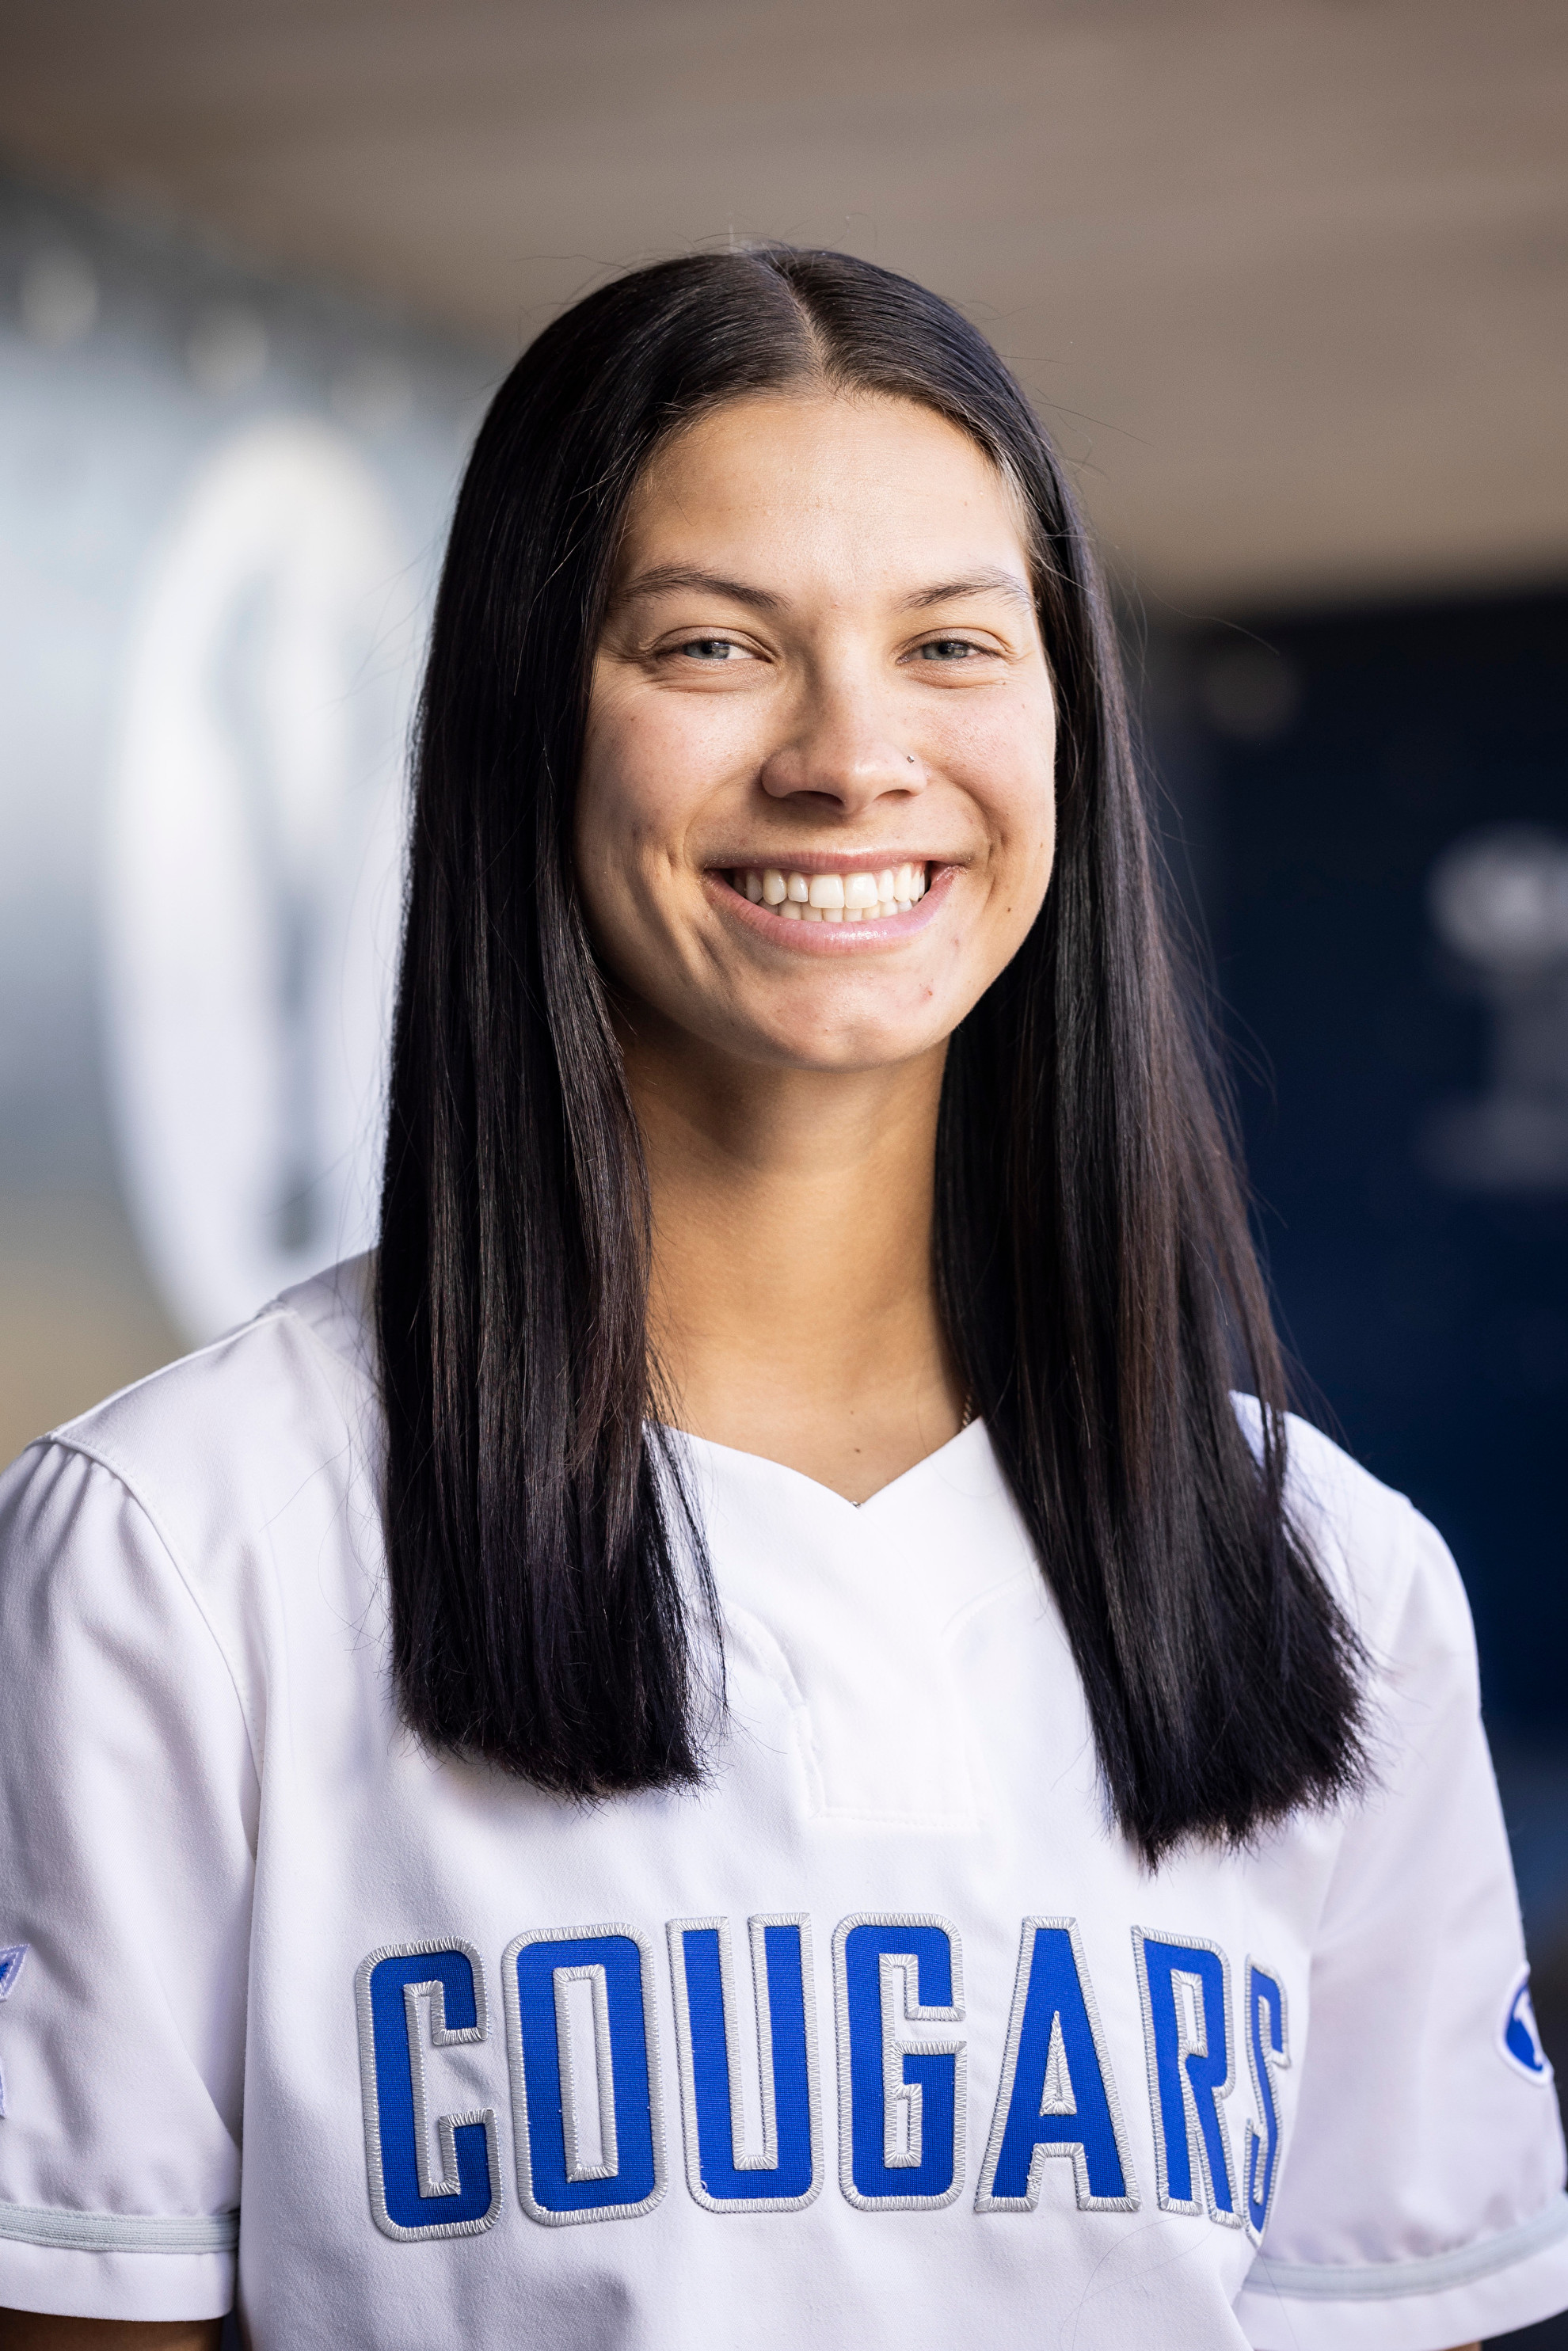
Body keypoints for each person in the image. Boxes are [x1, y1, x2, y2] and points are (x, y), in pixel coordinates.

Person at [0, 247, 1561, 2351]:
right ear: (525, 717)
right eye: (716, 642)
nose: (851, 754)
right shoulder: (182, 1544)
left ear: (1062, 728)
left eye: (948, 643)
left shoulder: (1327, 1577)